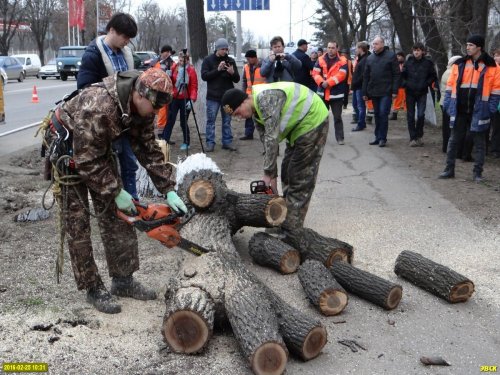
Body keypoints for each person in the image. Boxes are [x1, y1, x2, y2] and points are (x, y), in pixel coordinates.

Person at [48, 68, 187, 314]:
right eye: (153, 108)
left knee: (119, 215)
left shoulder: (143, 106)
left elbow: (147, 147)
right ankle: (92, 288)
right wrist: (115, 190)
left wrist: (168, 189)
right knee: (77, 222)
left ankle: (123, 280)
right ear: (139, 94)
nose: (155, 114)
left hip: (97, 149)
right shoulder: (99, 107)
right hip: (69, 153)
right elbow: (86, 160)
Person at [220, 82, 329, 231]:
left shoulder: (266, 99)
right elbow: (268, 146)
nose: (239, 118)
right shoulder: (256, 114)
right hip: (297, 129)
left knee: (299, 177)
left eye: (238, 113)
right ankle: (285, 216)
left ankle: (291, 230)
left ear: (244, 100)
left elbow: (272, 137)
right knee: (287, 172)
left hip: (312, 121)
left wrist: (267, 173)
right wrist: (272, 178)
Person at [77, 12, 140, 200]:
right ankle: (114, 202)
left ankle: (133, 200)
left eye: (130, 38)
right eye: (125, 37)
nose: (127, 42)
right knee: (110, 165)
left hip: (125, 120)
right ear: (112, 30)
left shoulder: (127, 54)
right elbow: (84, 90)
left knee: (130, 163)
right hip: (104, 122)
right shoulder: (93, 55)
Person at [439, 35, 500, 182]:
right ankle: (449, 170)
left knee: (479, 143)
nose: (467, 47)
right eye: (467, 45)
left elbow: (496, 91)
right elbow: (450, 87)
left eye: (471, 45)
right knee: (453, 140)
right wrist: (447, 105)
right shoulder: (459, 64)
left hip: (480, 110)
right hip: (459, 109)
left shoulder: (492, 67)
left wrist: (490, 109)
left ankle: (477, 173)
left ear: (479, 47)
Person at [201, 38, 240, 152]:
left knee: (227, 120)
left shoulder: (230, 60)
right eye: (223, 49)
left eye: (226, 49)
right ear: (217, 49)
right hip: (213, 97)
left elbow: (237, 79)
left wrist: (232, 73)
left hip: (228, 97)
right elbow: (204, 76)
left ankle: (227, 142)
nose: (225, 51)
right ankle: (210, 143)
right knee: (211, 121)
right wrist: (218, 70)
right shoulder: (208, 60)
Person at [362, 36, 401, 147]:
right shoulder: (370, 58)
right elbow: (366, 76)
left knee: (383, 113)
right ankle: (377, 137)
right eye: (373, 44)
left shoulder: (391, 56)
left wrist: (395, 90)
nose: (374, 46)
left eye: (376, 44)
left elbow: (396, 74)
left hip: (386, 91)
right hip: (374, 91)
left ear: (382, 44)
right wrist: (364, 92)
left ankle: (383, 138)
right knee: (377, 114)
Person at [401, 43, 437, 147]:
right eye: (415, 50)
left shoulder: (428, 63)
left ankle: (419, 135)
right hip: (410, 92)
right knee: (410, 115)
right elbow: (402, 75)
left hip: (422, 92)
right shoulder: (408, 62)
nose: (416, 52)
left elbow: (433, 75)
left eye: (418, 50)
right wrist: (405, 84)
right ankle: (412, 138)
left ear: (422, 51)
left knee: (421, 115)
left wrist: (426, 83)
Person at [312, 41, 348, 144]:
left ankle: (340, 138)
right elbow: (315, 73)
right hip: (322, 94)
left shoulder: (343, 61)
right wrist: (321, 82)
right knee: (320, 118)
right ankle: (318, 138)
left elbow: (342, 75)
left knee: (337, 117)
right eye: (328, 47)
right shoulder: (320, 59)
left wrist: (328, 83)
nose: (330, 49)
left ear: (337, 48)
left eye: (332, 48)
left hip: (336, 94)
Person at [163, 50, 198, 150]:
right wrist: (168, 75)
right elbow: (172, 82)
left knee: (183, 121)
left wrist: (192, 99)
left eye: (183, 60)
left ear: (187, 60)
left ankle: (186, 142)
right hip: (175, 97)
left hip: (185, 99)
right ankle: (165, 140)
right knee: (170, 119)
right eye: (179, 60)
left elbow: (194, 86)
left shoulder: (191, 70)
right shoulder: (175, 67)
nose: (180, 62)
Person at [241, 49, 265, 140]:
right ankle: (248, 134)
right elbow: (244, 81)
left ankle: (264, 134)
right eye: (247, 59)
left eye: (249, 59)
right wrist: (243, 93)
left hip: (261, 95)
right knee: (248, 115)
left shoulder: (263, 66)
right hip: (249, 95)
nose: (247, 61)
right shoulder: (246, 67)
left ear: (254, 58)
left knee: (261, 116)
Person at [153, 45, 176, 142]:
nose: (167, 53)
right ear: (162, 52)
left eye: (168, 51)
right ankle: (160, 134)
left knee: (169, 114)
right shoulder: (157, 63)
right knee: (162, 113)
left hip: (170, 91)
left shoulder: (173, 63)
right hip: (160, 91)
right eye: (165, 51)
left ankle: (166, 135)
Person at [439, 55, 462, 153]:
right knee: (449, 127)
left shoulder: (447, 71)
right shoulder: (452, 72)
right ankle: (448, 147)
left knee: (446, 127)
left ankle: (446, 147)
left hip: (444, 101)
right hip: (448, 102)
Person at [351, 41, 371, 132]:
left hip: (360, 86)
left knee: (360, 106)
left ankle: (361, 123)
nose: (355, 50)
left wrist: (356, 82)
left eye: (356, 48)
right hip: (356, 86)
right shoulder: (360, 59)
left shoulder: (365, 59)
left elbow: (363, 75)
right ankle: (361, 122)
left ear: (361, 49)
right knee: (355, 105)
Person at [390, 51, 407, 121]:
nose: (398, 58)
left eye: (399, 56)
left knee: (406, 101)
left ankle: (408, 115)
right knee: (397, 101)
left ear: (403, 57)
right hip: (398, 85)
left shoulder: (406, 65)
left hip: (405, 85)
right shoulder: (396, 65)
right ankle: (394, 115)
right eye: (397, 56)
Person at [490, 48, 500, 158]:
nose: (495, 58)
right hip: (495, 102)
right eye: (494, 55)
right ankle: (495, 149)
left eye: (497, 55)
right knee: (496, 126)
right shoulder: (492, 69)